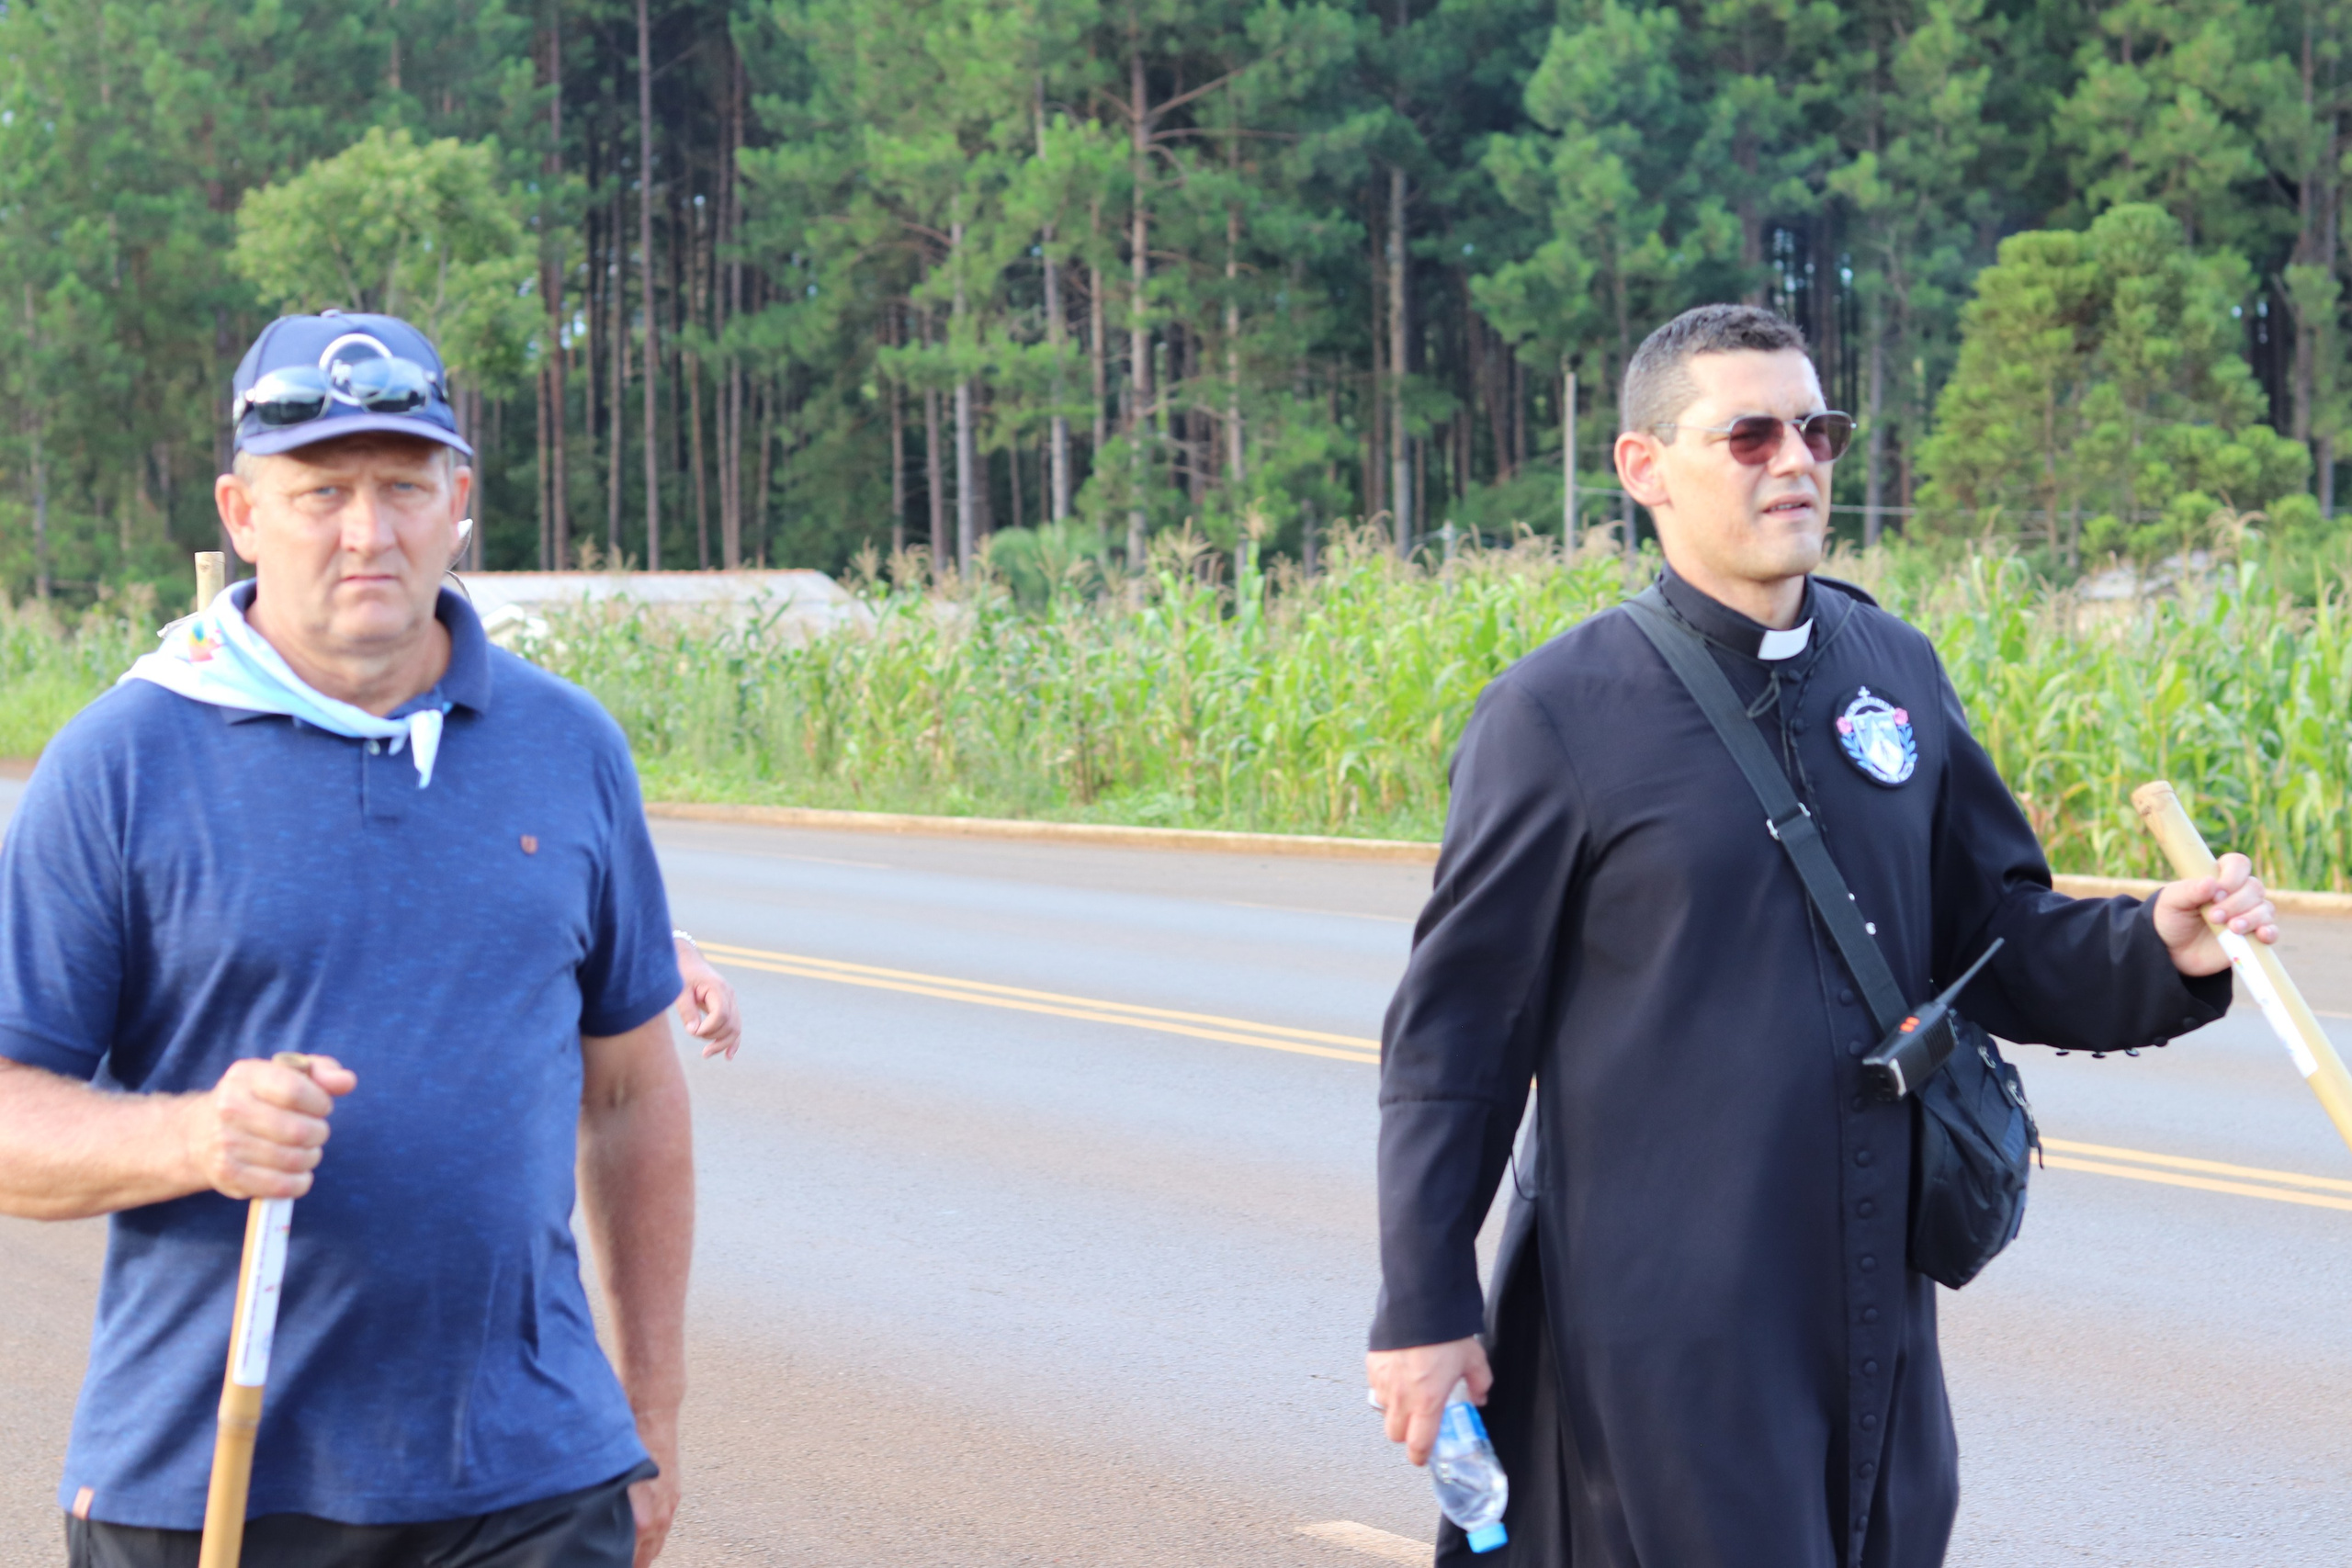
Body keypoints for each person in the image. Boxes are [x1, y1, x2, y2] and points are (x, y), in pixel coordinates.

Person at [1363, 304, 2278, 1568]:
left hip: (1875, 1300)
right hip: (1662, 1322)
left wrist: (2159, 947)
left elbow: (1989, 929)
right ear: (1645, 470)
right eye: (1749, 434)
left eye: (1817, 428)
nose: (1795, 459)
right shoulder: (1557, 715)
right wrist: (1425, 1305)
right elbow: (1455, 1045)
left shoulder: (1889, 665)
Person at [0, 310, 734, 1567]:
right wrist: (191, 1135)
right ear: (241, 510)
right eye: (320, 490)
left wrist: (647, 1421)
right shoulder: (122, 763)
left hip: (532, 1478)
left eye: (403, 486)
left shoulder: (568, 747)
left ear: (458, 500)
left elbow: (628, 1098)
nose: (367, 531)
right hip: (212, 1482)